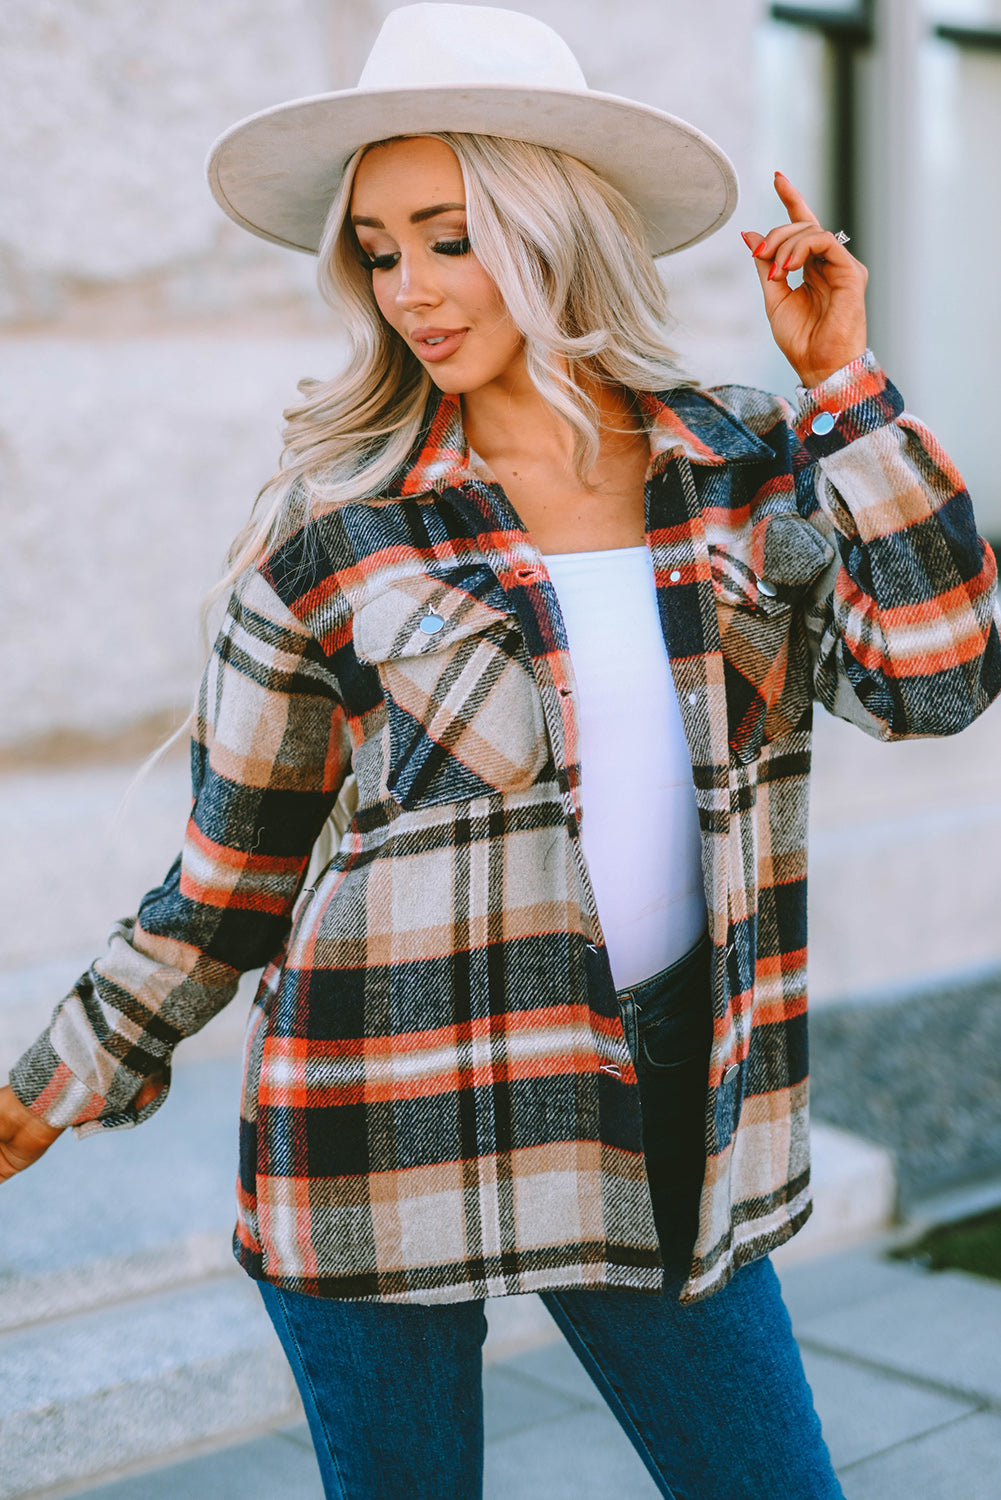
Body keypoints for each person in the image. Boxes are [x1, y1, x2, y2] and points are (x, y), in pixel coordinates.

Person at [2, 5, 998, 1497]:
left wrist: (844, 388)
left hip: (662, 1104)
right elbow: (233, 876)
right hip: (376, 1114)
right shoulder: (337, 521)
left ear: (551, 228)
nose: (406, 287)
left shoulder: (737, 455)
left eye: (448, 236)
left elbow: (936, 677)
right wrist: (57, 1078)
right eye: (379, 248)